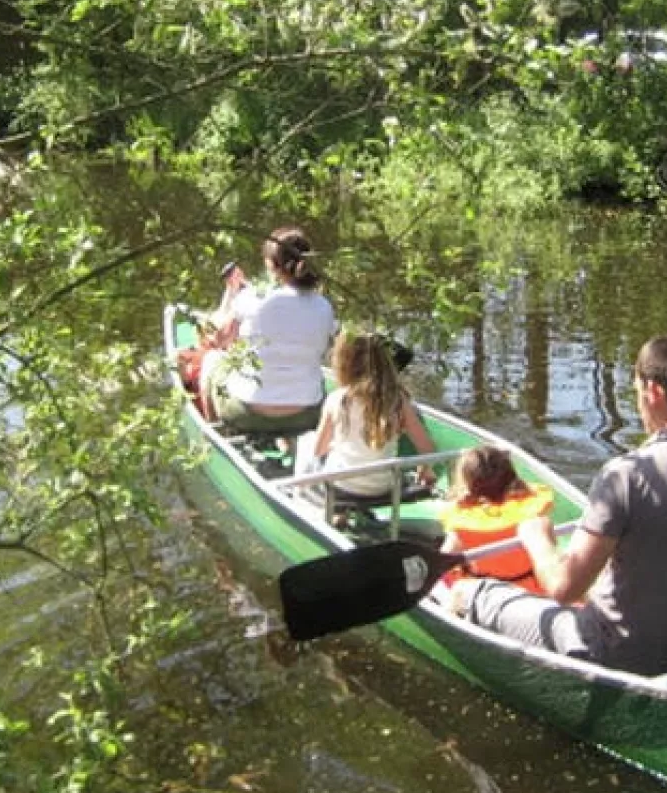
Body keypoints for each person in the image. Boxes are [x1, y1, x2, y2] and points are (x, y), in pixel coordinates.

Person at [451, 334, 667, 676]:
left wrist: (538, 538)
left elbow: (562, 589)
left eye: (636, 393)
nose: (639, 405)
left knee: (467, 592)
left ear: (654, 392)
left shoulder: (626, 475)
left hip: (608, 652)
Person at [201, 226, 337, 435]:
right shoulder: (324, 306)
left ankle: (213, 434)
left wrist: (231, 294)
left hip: (247, 412)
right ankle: (288, 439)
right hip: (307, 414)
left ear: (273, 266)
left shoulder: (253, 299)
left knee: (211, 360)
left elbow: (219, 341)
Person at [310, 332, 435, 498]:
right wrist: (424, 468)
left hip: (342, 488)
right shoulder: (399, 401)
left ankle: (335, 513)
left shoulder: (337, 398)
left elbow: (319, 450)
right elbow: (427, 448)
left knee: (307, 446)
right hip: (385, 488)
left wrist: (334, 445)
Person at [437, 446, 553, 594]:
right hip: (531, 590)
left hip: (487, 596)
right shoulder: (532, 512)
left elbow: (442, 562)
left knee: (439, 580)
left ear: (468, 485)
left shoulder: (463, 524)